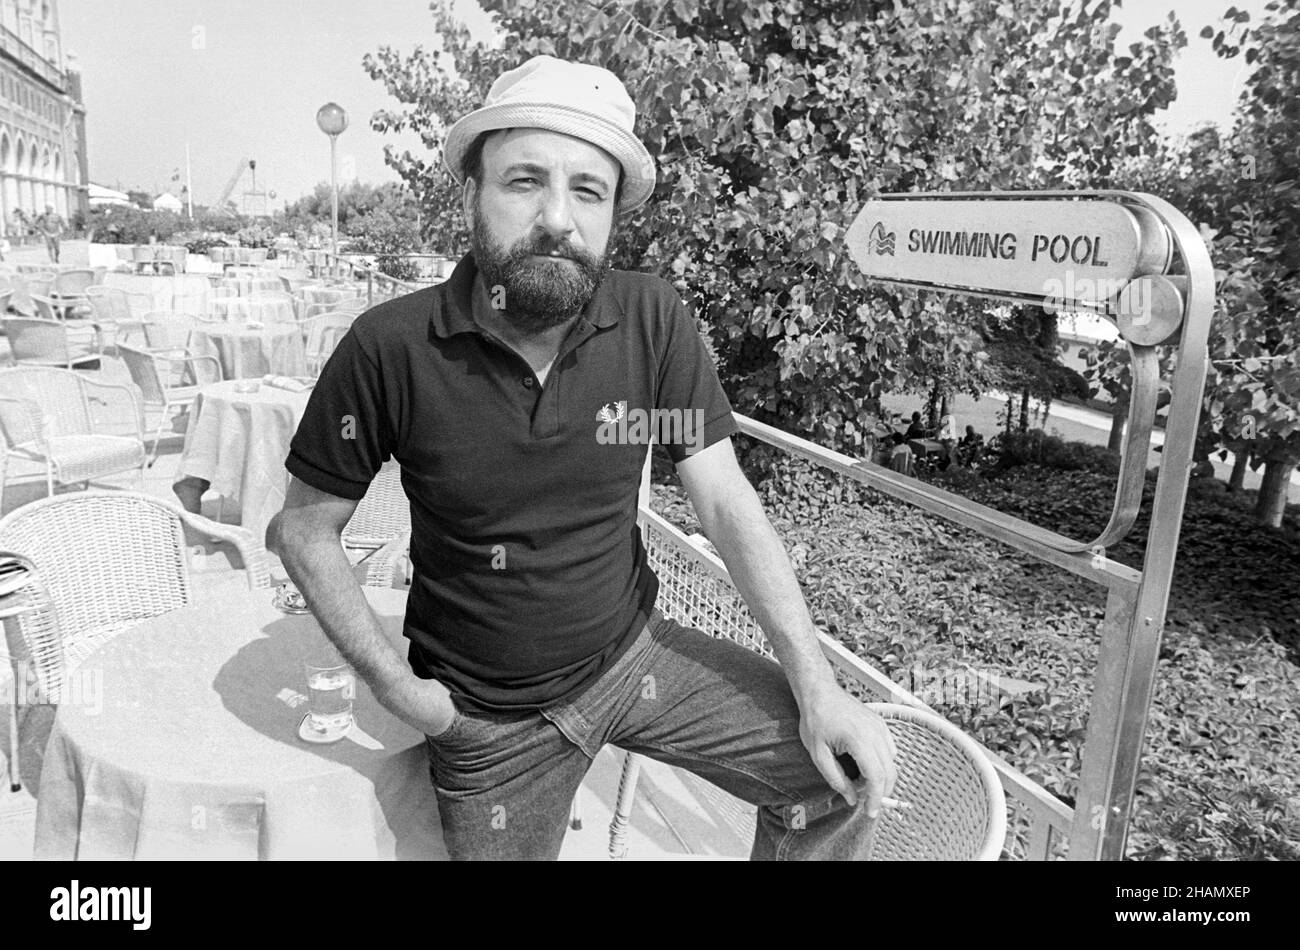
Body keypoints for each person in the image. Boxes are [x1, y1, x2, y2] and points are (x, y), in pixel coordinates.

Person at [266, 55, 896, 861]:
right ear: (471, 195)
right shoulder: (391, 349)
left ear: (611, 218)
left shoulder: (650, 321)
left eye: (587, 191)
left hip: (636, 660)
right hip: (487, 721)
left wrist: (817, 687)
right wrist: (399, 688)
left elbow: (723, 498)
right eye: (525, 181)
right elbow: (305, 531)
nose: (557, 217)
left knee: (831, 779)